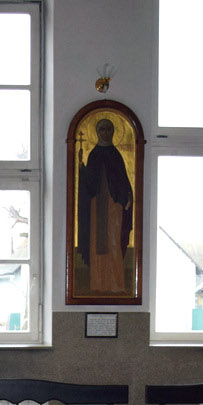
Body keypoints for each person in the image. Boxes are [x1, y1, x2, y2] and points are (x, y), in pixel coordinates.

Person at [75, 117, 133, 295]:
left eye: (108, 129)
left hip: (114, 207)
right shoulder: (94, 155)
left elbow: (123, 180)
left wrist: (128, 197)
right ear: (98, 132)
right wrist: (81, 167)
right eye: (102, 130)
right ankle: (98, 284)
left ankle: (116, 284)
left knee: (114, 243)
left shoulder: (116, 155)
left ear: (113, 132)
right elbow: (89, 183)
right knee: (97, 245)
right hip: (97, 207)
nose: (105, 133)